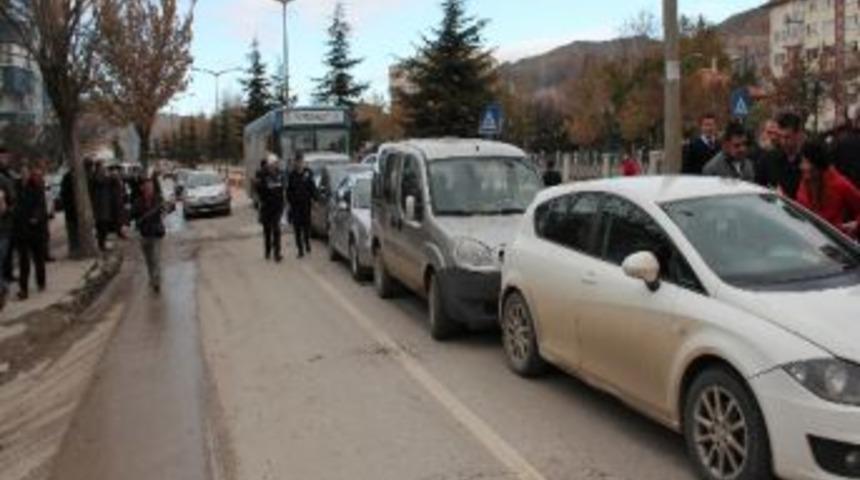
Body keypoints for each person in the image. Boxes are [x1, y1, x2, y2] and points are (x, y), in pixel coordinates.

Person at [796, 140, 860, 238]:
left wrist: (856, 225)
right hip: (808, 239)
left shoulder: (839, 183)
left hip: (833, 242)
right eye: (802, 162)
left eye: (806, 162)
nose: (801, 167)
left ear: (817, 164)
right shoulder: (804, 182)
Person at [14, 164, 48, 300]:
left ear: (29, 174)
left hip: (35, 230)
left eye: (26, 172)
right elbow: (13, 204)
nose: (24, 175)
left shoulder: (36, 187)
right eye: (21, 172)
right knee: (24, 262)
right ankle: (23, 289)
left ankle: (41, 282)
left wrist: (36, 217)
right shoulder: (16, 187)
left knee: (38, 258)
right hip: (21, 230)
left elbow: (41, 205)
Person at [132, 176, 172, 293]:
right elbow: (132, 215)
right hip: (144, 235)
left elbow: (167, 209)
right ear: (142, 188)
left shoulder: (158, 199)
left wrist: (169, 207)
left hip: (156, 234)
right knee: (149, 260)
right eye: (147, 187)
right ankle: (152, 277)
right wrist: (124, 224)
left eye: (151, 186)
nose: (150, 189)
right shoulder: (137, 202)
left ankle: (156, 281)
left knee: (156, 259)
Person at [759, 112, 806, 198]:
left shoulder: (808, 160)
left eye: (787, 137)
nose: (783, 141)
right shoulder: (768, 160)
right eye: (780, 136)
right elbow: (760, 190)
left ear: (798, 134)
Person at [287, 152, 316, 258]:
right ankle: (300, 249)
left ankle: (307, 242)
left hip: (306, 205)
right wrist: (290, 202)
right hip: (296, 206)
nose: (299, 164)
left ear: (303, 162)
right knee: (297, 229)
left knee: (306, 227)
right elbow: (289, 190)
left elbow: (312, 187)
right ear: (295, 163)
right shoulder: (292, 175)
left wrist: (314, 199)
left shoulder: (308, 173)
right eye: (297, 162)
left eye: (301, 161)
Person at [257, 156, 286, 262]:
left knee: (276, 230)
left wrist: (282, 204)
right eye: (273, 163)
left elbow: (282, 190)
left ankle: (277, 253)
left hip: (277, 207)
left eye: (276, 163)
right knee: (267, 231)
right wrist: (259, 186)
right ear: (269, 165)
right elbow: (260, 192)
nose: (275, 165)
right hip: (266, 207)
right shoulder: (263, 175)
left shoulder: (280, 175)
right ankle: (268, 250)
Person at [89, 163, 114, 251]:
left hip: (104, 206)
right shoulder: (97, 178)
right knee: (101, 227)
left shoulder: (101, 178)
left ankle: (102, 243)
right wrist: (108, 176)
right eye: (102, 168)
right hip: (100, 207)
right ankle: (101, 245)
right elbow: (102, 182)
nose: (104, 170)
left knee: (103, 227)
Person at [60, 168, 80, 256]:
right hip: (71, 209)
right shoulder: (68, 178)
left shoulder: (70, 178)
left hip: (73, 209)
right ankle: (74, 249)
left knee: (74, 229)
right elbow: (64, 194)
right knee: (72, 229)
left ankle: (75, 248)